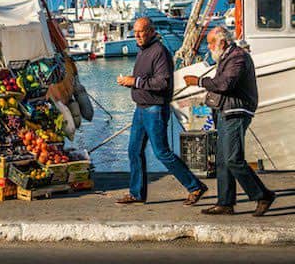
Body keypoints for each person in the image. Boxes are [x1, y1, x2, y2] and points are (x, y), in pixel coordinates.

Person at [184, 26, 275, 216]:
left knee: (233, 159)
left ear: (222, 42)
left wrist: (198, 82)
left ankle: (262, 195)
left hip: (236, 111)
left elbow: (225, 84)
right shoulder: (227, 57)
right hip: (226, 111)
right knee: (222, 161)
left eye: (210, 43)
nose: (208, 47)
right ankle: (225, 203)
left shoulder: (237, 57)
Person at [116, 17, 208, 205]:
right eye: (135, 32)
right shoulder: (143, 52)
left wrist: (135, 82)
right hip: (141, 109)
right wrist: (132, 83)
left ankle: (195, 186)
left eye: (141, 31)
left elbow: (163, 82)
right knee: (134, 150)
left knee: (161, 152)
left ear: (151, 31)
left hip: (154, 109)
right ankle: (136, 193)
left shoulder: (159, 52)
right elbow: (146, 79)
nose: (138, 36)